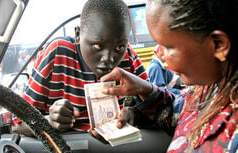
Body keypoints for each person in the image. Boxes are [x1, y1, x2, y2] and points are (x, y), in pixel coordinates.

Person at [100, 0, 238, 153]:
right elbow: (178, 108)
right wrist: (144, 88)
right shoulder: (209, 87)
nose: (160, 54)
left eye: (168, 46)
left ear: (218, 44)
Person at [17, 0, 148, 135]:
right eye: (98, 46)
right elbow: (19, 123)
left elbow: (158, 106)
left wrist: (138, 114)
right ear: (78, 35)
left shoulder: (128, 56)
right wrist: (49, 121)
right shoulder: (58, 53)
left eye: (119, 47)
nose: (109, 59)